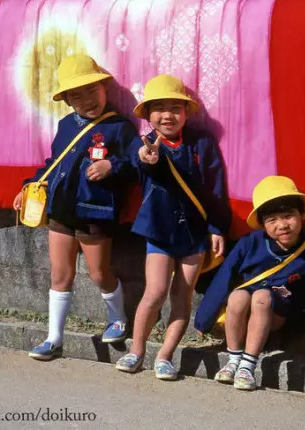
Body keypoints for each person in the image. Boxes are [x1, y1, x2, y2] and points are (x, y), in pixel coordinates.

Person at [13, 54, 136, 360]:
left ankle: (118, 319)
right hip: (61, 209)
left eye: (92, 90)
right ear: (67, 101)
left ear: (104, 88)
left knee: (98, 274)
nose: (87, 99)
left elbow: (136, 163)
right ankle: (54, 339)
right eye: (77, 95)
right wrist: (30, 185)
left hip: (95, 212)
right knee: (60, 275)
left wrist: (112, 164)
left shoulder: (119, 127)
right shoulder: (66, 125)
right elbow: (54, 163)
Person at [115, 74, 231, 380]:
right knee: (154, 292)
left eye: (175, 107)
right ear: (148, 115)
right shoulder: (142, 143)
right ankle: (136, 350)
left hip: (195, 234)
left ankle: (165, 356)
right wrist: (146, 157)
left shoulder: (202, 143)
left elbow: (215, 187)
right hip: (158, 231)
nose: (168, 115)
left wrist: (217, 227)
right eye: (159, 108)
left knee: (182, 296)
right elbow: (138, 160)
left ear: (187, 112)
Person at [195, 176, 305, 390]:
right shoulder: (249, 244)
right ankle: (234, 361)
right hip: (244, 313)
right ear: (262, 224)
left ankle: (248, 365)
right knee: (238, 295)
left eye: (288, 216)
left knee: (262, 296)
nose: (282, 225)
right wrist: (204, 319)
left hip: (280, 314)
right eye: (272, 220)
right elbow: (225, 276)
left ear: (302, 214)